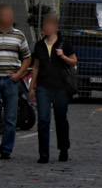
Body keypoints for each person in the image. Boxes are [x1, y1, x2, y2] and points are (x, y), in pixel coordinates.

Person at [0, 4, 31, 161]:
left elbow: (27, 57)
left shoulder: (19, 35)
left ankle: (6, 149)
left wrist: (19, 74)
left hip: (11, 79)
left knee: (10, 117)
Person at [29, 12, 75, 163]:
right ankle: (43, 153)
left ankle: (63, 148)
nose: (45, 28)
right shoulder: (39, 45)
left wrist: (63, 56)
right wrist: (32, 87)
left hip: (60, 86)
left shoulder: (64, 43)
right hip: (43, 86)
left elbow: (74, 61)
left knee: (61, 118)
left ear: (55, 26)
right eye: (44, 26)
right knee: (43, 119)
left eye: (48, 25)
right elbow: (35, 67)